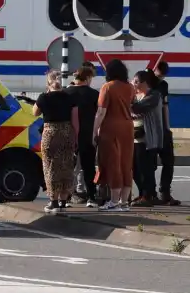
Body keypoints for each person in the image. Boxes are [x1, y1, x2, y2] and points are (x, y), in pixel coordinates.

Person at [32, 70, 79, 213]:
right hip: (67, 133)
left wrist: (45, 94)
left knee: (50, 166)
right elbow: (75, 120)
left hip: (50, 133)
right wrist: (75, 137)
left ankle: (53, 202)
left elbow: (35, 112)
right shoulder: (70, 97)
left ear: (48, 82)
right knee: (66, 165)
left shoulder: (43, 98)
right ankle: (63, 202)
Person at [92, 59, 135, 212]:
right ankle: (124, 202)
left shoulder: (107, 87)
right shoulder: (130, 88)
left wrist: (94, 131)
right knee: (126, 164)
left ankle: (114, 201)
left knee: (113, 163)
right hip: (128, 127)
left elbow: (101, 112)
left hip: (110, 128)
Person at [64, 65, 100, 206]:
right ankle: (91, 197)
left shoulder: (66, 93)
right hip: (88, 135)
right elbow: (99, 114)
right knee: (89, 167)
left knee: (67, 167)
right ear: (88, 78)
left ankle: (65, 198)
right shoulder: (93, 94)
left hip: (70, 135)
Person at [129, 70, 165, 207]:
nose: (134, 84)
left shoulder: (154, 96)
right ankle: (143, 193)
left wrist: (129, 103)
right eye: (133, 82)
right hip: (134, 137)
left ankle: (148, 195)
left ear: (144, 83)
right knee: (135, 168)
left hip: (148, 138)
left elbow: (137, 109)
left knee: (146, 168)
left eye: (136, 82)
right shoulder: (136, 96)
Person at [152, 61, 181, 206]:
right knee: (149, 163)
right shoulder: (146, 82)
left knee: (169, 161)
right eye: (160, 74)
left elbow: (165, 106)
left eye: (163, 75)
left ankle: (165, 192)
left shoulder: (163, 85)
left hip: (162, 128)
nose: (161, 77)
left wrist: (168, 128)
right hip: (149, 129)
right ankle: (150, 193)